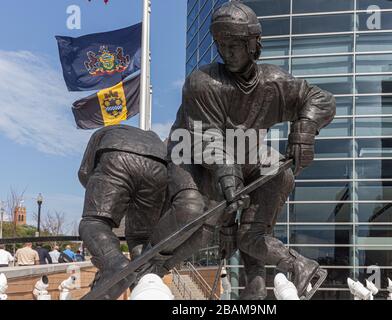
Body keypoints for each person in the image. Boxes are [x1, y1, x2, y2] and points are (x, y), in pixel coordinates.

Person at [146, 1, 335, 300]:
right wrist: (229, 179)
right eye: (222, 44)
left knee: (271, 190)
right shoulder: (203, 83)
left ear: (253, 44)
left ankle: (291, 268)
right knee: (195, 216)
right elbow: (205, 136)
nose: (227, 51)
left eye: (235, 44)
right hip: (190, 155)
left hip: (239, 159)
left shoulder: (274, 83)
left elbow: (320, 99)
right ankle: (148, 267)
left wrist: (304, 131)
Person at [77, 124, 170, 300]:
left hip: (117, 154)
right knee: (140, 238)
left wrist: (106, 199)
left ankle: (114, 264)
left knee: (94, 222)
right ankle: (142, 283)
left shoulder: (103, 132)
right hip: (159, 164)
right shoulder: (153, 138)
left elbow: (84, 173)